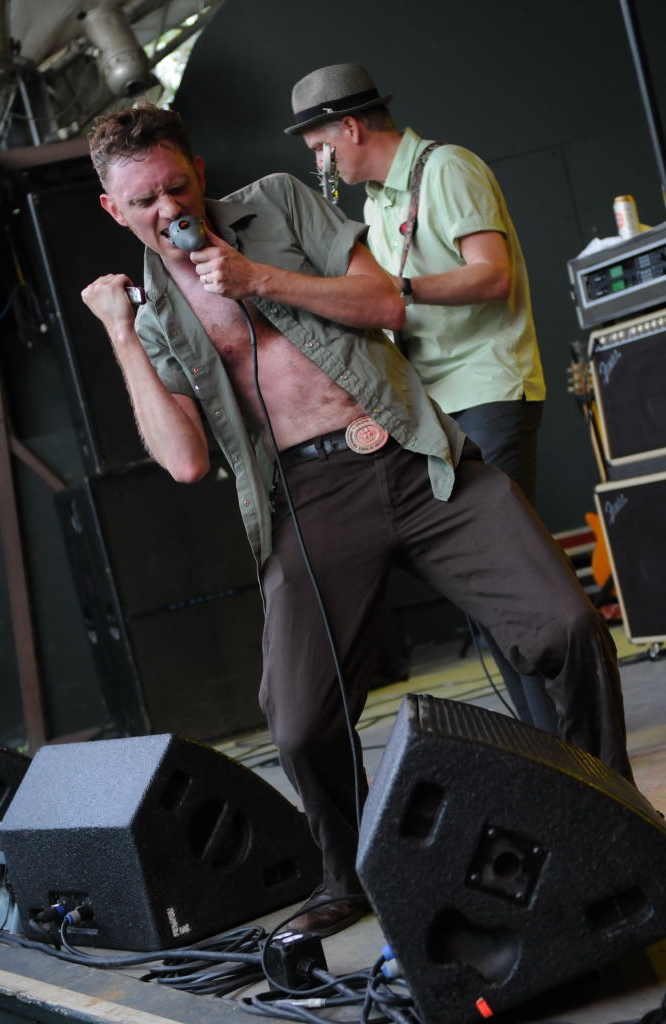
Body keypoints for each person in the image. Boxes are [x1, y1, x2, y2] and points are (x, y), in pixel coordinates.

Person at [81, 103, 632, 940]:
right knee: (300, 722)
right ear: (113, 210)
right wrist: (122, 334)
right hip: (311, 498)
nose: (169, 209)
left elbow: (385, 302)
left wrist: (257, 279)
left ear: (198, 172)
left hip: (413, 454)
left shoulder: (277, 203)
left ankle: (610, 812)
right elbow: (185, 461)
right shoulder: (154, 315)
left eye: (176, 186)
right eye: (144, 201)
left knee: (566, 626)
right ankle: (352, 875)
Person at [285, 63, 556, 731]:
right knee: (489, 593)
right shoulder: (376, 203)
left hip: (488, 390)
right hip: (436, 409)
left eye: (319, 147)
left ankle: (571, 748)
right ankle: (548, 745)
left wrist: (396, 292)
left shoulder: (448, 168)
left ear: (350, 129)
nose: (320, 164)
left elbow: (492, 277)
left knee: (511, 585)